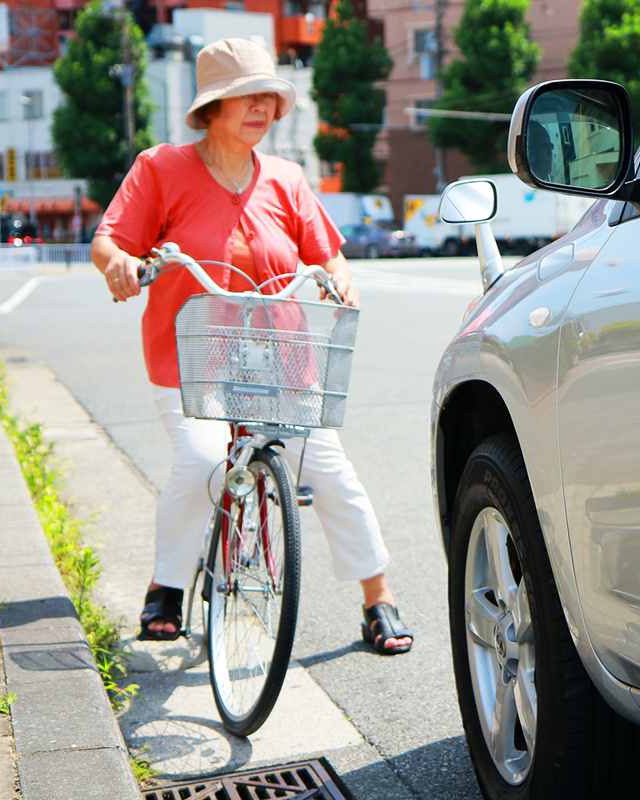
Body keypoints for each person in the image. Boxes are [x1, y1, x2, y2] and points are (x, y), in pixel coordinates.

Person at [91, 37, 412, 655]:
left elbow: (328, 254)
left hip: (282, 359)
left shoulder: (288, 178)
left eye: (269, 95)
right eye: (246, 95)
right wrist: (122, 266)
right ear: (212, 107)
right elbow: (109, 241)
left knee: (330, 472)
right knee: (205, 462)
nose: (261, 106)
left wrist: (341, 279)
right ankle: (167, 584)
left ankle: (379, 599)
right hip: (191, 360)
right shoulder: (160, 167)